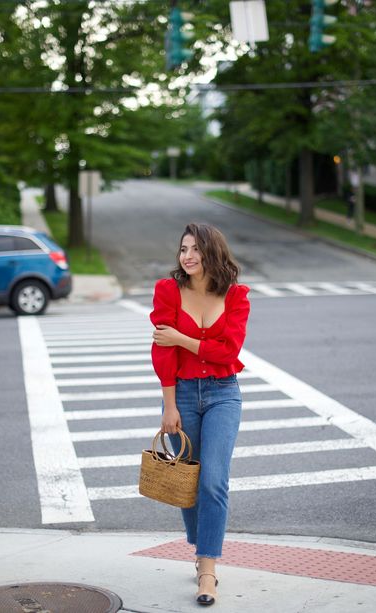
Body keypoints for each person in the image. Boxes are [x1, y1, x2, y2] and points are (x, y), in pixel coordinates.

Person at [150, 223, 250, 607]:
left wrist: (182, 338)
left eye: (195, 249)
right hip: (183, 395)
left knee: (213, 481)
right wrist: (170, 405)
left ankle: (207, 571)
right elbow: (163, 352)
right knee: (189, 482)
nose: (187, 256)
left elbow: (229, 353)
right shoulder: (168, 291)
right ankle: (200, 545)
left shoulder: (237, 296)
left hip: (225, 393)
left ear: (213, 252)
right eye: (183, 249)